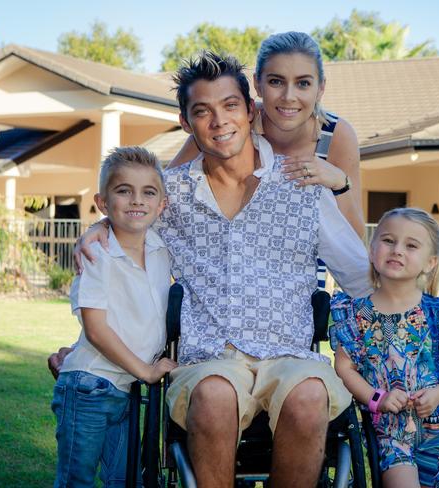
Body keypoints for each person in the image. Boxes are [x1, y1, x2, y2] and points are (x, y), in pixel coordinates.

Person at [73, 51, 372, 487]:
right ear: (185, 123)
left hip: (288, 354)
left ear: (250, 111)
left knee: (310, 395)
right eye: (203, 111)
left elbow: (360, 277)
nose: (219, 121)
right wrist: (101, 225)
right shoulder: (168, 193)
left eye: (230, 106)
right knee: (214, 394)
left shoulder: (302, 185)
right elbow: (123, 243)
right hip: (208, 357)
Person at [51, 146, 177, 487]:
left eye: (148, 193)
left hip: (126, 391)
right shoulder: (97, 254)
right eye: (124, 191)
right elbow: (96, 329)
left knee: (124, 480)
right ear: (103, 203)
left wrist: (143, 375)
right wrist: (148, 371)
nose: (137, 201)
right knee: (75, 480)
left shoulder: (161, 249)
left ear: (161, 205)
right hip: (90, 387)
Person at [169, 31, 364, 238]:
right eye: (276, 82)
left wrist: (340, 184)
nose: (289, 97)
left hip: (311, 263)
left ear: (321, 88)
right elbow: (163, 189)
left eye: (303, 83)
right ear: (257, 84)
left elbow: (355, 238)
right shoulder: (235, 125)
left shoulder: (335, 135)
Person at [330, 208, 439, 488]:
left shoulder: (437, 313)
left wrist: (438, 394)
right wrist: (376, 398)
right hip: (390, 433)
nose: (397, 250)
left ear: (430, 262)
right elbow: (344, 368)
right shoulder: (358, 315)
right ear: (372, 250)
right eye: (388, 241)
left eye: (411, 245)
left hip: (438, 432)